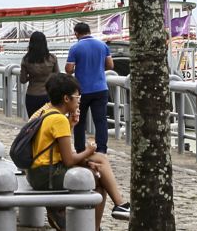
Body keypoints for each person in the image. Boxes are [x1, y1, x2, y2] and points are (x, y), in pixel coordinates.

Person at [27, 73, 130, 231]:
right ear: (66, 98)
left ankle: (118, 207)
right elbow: (68, 160)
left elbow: (57, 150)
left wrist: (72, 125)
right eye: (77, 96)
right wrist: (89, 151)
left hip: (38, 172)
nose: (79, 100)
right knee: (98, 178)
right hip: (47, 176)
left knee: (99, 165)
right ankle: (107, 216)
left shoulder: (47, 112)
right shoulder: (59, 119)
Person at [65, 22, 113, 154]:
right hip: (101, 88)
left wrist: (79, 68)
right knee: (101, 120)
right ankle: (102, 149)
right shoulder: (102, 45)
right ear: (89, 31)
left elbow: (69, 69)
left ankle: (80, 149)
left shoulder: (75, 48)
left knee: (79, 120)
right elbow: (110, 65)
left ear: (76, 33)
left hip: (82, 90)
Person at [20, 31, 59, 117]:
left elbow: (22, 80)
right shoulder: (52, 58)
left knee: (33, 124)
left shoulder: (26, 60)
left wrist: (31, 77)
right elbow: (57, 76)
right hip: (48, 95)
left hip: (32, 95)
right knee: (47, 122)